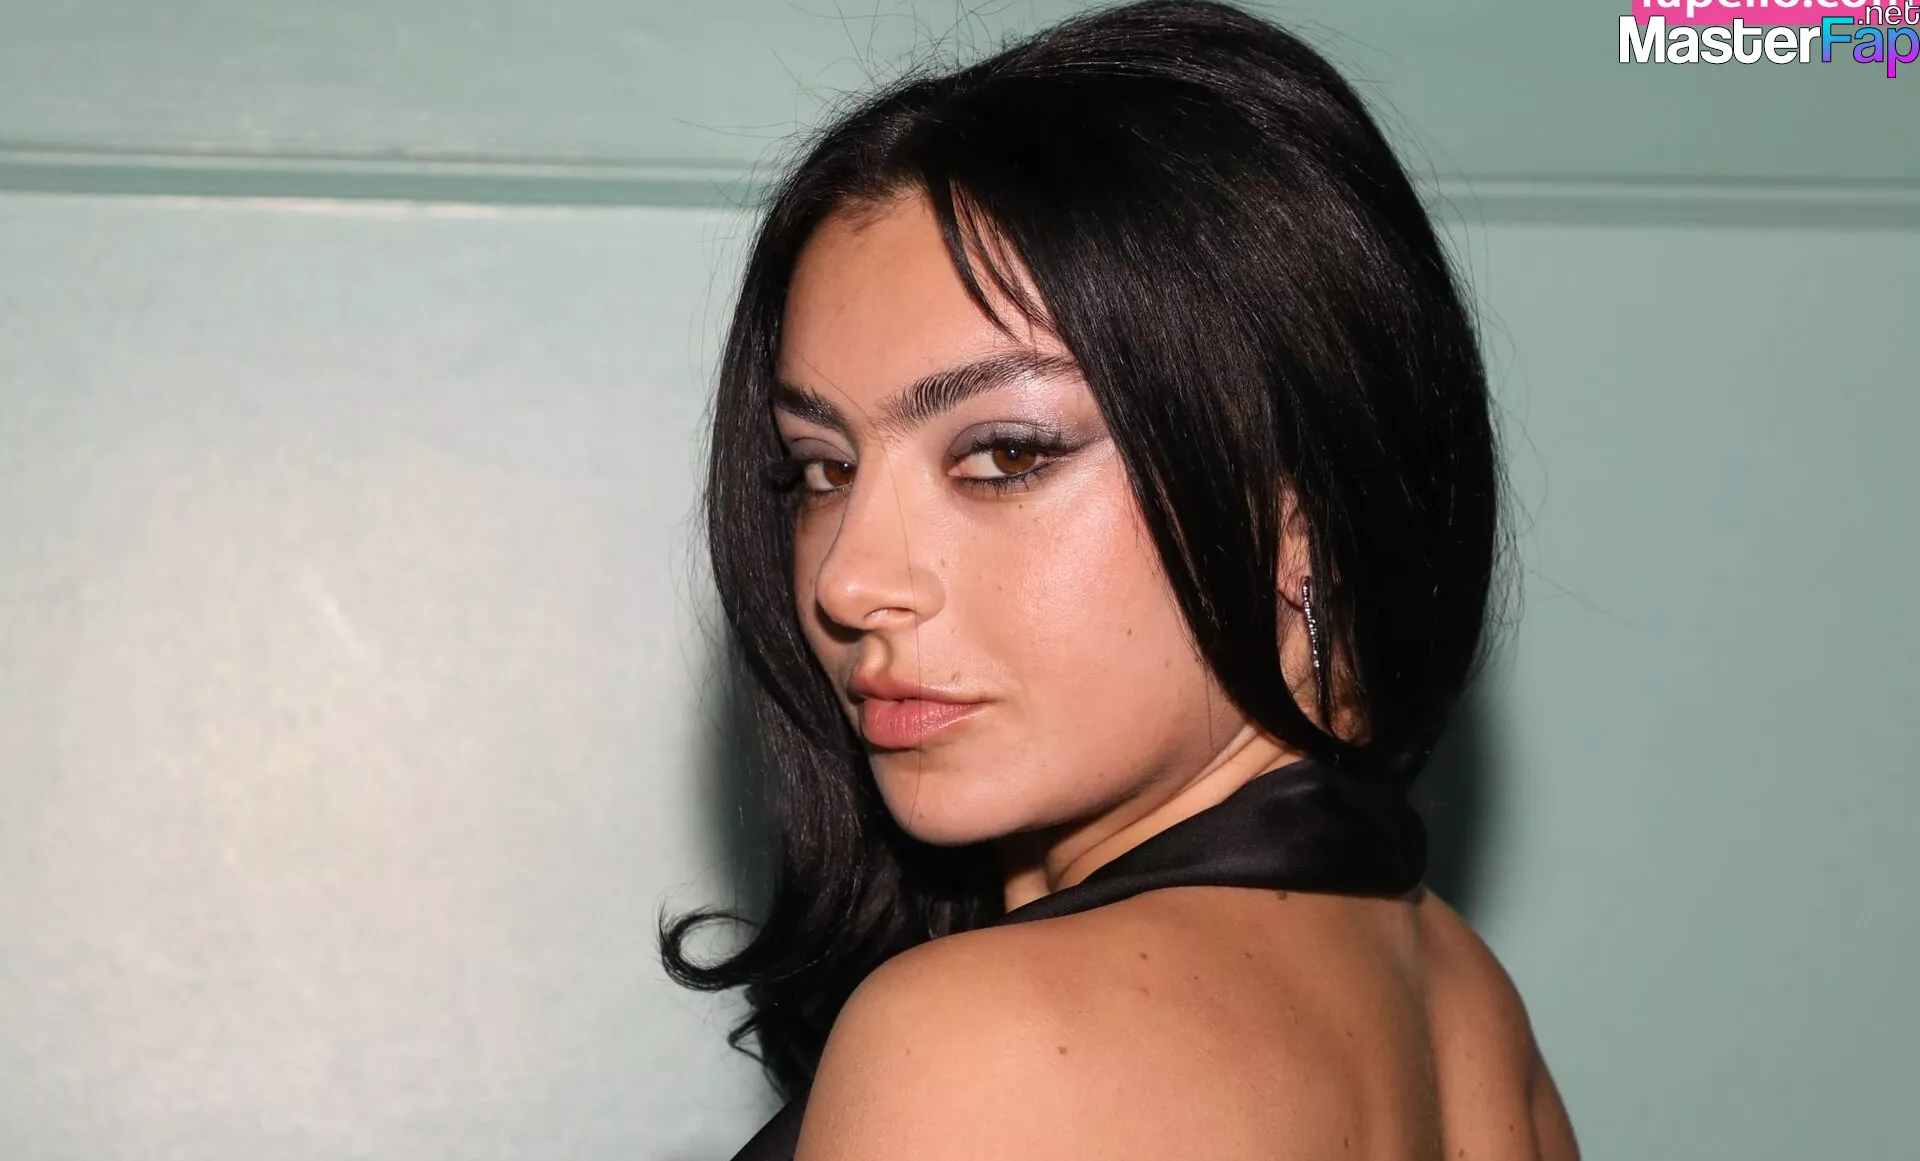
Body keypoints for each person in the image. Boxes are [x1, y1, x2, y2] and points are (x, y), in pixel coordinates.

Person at [661, 2, 1579, 1157]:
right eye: (821, 469)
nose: (847, 581)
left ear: (1309, 509)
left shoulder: (982, 1042)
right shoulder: (1471, 1017)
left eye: (1007, 456)